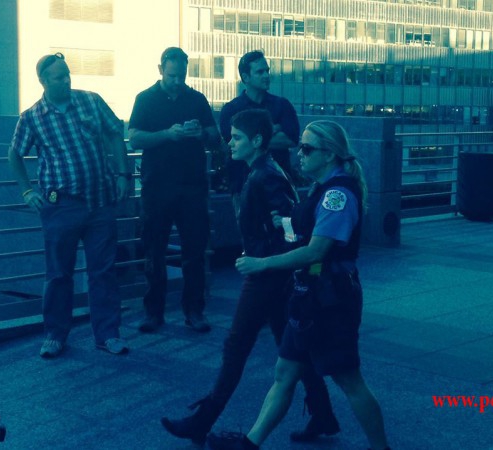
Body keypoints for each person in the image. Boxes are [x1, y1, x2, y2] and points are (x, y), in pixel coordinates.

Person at [206, 121, 391, 450]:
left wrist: (262, 263)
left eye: (307, 149)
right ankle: (250, 443)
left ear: (329, 154)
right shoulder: (322, 187)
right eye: (300, 147)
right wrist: (288, 223)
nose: (298, 154)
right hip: (310, 298)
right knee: (285, 373)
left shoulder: (337, 194)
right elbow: (311, 230)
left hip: (330, 301)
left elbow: (317, 251)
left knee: (349, 380)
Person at [161, 109, 339, 445]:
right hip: (273, 273)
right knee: (291, 346)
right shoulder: (262, 171)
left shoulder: (265, 175)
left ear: (256, 141)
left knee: (237, 346)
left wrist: (263, 262)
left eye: (237, 137)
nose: (230, 143)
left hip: (266, 276)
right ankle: (323, 413)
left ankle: (202, 421)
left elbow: (290, 228)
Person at [8, 52, 130, 358]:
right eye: (59, 77)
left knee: (103, 271)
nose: (66, 80)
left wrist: (123, 174)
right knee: (59, 273)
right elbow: (15, 154)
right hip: (60, 206)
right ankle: (55, 335)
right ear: (43, 81)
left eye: (68, 74)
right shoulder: (32, 117)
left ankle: (108, 334)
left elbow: (115, 132)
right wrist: (26, 190)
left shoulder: (90, 101)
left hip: (100, 201)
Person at [128, 47, 221, 334]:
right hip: (157, 187)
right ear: (160, 70)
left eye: (181, 76)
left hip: (192, 187)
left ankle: (194, 310)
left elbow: (216, 137)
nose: (177, 81)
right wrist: (168, 135)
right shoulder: (145, 99)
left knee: (194, 251)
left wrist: (200, 133)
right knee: (154, 251)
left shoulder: (197, 99)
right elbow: (134, 139)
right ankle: (153, 312)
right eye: (172, 76)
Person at [220, 50, 300, 213]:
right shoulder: (231, 109)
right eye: (260, 72)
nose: (266, 75)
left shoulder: (282, 105)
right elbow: (233, 144)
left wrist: (250, 138)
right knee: (248, 227)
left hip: (278, 185)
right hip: (242, 183)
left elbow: (291, 139)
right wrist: (273, 130)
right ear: (246, 77)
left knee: (282, 226)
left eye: (267, 71)